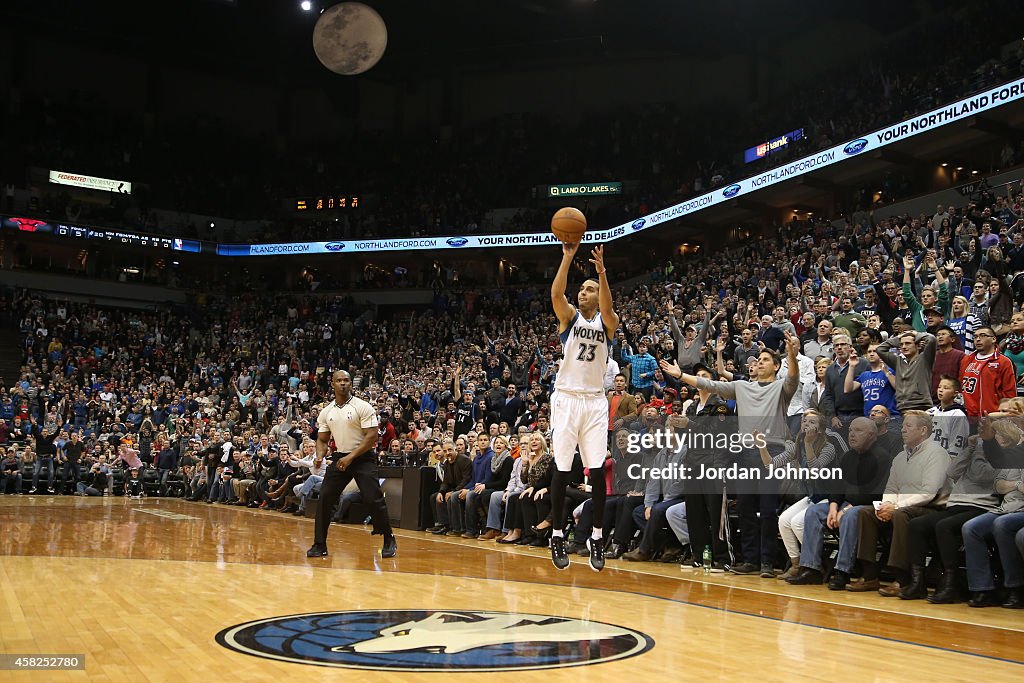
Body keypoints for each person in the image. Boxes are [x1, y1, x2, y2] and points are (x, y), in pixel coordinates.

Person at [547, 241, 619, 572]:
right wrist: (566, 256)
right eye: (583, 289)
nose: (583, 293)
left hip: (593, 402)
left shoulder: (607, 325)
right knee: (562, 470)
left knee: (596, 470)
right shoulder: (570, 320)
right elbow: (556, 295)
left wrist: (601, 272)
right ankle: (558, 534)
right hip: (566, 398)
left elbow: (608, 310)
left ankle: (597, 538)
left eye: (589, 290)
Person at [306, 370, 396, 559]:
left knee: (373, 498)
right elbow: (322, 439)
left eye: (346, 380)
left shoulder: (362, 407)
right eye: (339, 380)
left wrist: (351, 458)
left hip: (363, 457)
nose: (343, 383)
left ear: (351, 384)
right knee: (325, 498)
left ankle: (389, 538)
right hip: (341, 457)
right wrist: (320, 455)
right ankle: (319, 544)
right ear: (332, 384)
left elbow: (371, 437)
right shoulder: (326, 411)